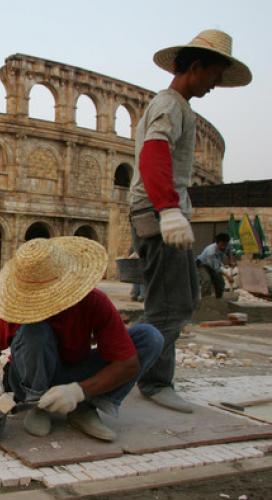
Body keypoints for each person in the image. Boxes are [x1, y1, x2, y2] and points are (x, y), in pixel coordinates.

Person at [128, 29, 251, 413]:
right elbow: (153, 153)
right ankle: (147, 379)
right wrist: (167, 209)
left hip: (163, 211)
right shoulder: (170, 105)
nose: (216, 85)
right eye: (215, 75)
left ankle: (133, 367)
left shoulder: (176, 106)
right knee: (168, 306)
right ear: (196, 67)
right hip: (157, 213)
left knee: (184, 299)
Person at [0, 237, 163, 441]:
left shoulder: (93, 302)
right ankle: (37, 405)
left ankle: (86, 406)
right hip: (29, 377)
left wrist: (79, 391)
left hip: (75, 373)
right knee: (35, 330)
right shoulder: (18, 306)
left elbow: (128, 363)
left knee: (149, 338)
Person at [196, 233, 236, 298]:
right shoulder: (211, 252)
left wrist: (231, 260)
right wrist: (228, 276)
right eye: (221, 245)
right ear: (217, 243)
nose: (223, 247)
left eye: (225, 245)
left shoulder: (227, 245)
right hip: (203, 264)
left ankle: (219, 299)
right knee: (207, 280)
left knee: (221, 282)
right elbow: (216, 268)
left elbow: (230, 251)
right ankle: (205, 300)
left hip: (215, 264)